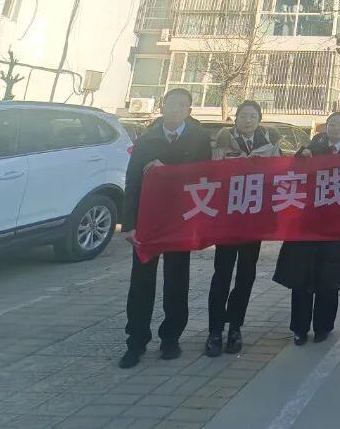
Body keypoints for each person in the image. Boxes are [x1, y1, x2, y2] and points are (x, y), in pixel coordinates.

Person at [119, 88, 213, 369]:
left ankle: (171, 338)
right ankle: (136, 341)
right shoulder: (147, 139)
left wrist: (168, 169)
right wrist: (129, 224)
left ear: (189, 111)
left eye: (182, 105)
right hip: (148, 219)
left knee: (177, 280)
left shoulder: (199, 139)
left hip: (180, 219)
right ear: (162, 106)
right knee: (141, 282)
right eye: (172, 104)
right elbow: (132, 181)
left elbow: (204, 176)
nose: (176, 109)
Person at [273, 112, 340, 345]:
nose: (336, 128)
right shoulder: (311, 148)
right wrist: (300, 158)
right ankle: (299, 328)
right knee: (302, 276)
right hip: (306, 223)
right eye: (332, 124)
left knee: (329, 276)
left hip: (336, 225)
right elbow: (293, 176)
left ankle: (323, 326)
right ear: (326, 127)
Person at [204, 101, 280, 358]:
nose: (248, 120)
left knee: (246, 275)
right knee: (221, 275)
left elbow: (280, 175)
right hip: (227, 219)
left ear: (259, 120)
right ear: (235, 119)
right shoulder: (220, 144)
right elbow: (210, 175)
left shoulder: (269, 145)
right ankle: (215, 331)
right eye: (244, 115)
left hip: (253, 220)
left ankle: (235, 327)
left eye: (253, 116)